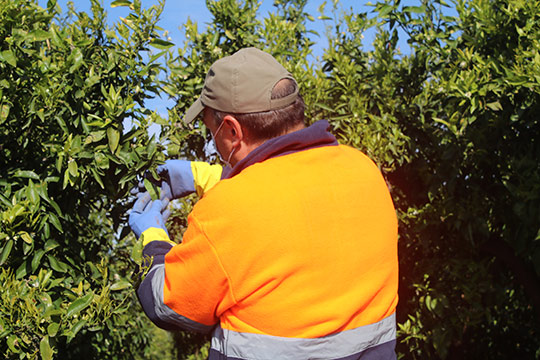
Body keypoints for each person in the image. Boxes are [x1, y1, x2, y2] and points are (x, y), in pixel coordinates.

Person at [128, 47, 399, 359]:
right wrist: (208, 175)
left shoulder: (227, 209)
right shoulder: (363, 169)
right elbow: (293, 195)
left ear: (231, 129)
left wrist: (152, 240)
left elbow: (168, 305)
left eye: (210, 129)